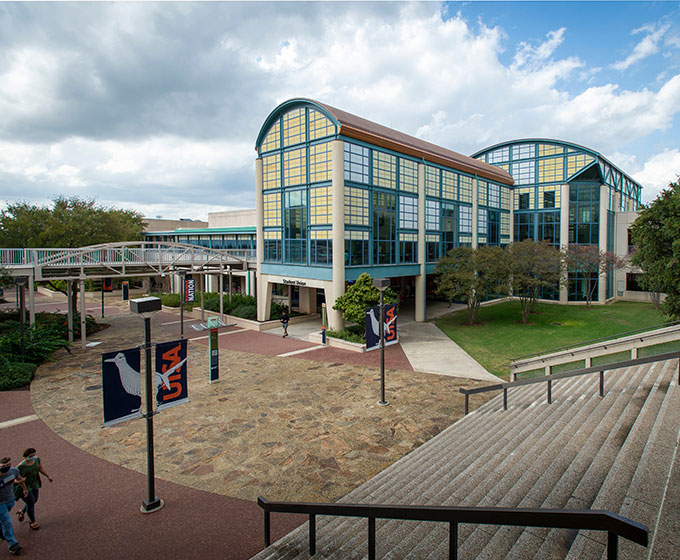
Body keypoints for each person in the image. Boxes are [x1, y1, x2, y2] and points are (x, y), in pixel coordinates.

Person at [15, 448, 52, 531]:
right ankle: (33, 521)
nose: (32, 457)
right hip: (24, 485)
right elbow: (17, 479)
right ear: (25, 456)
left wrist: (47, 476)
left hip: (34, 482)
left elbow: (40, 468)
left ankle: (22, 511)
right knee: (31, 502)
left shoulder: (36, 460)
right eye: (30, 456)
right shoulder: (20, 467)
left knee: (34, 500)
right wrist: (24, 488)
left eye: (33, 455)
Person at [0, 456, 26, 556]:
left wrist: (24, 488)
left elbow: (19, 479)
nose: (6, 467)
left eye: (8, 465)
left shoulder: (14, 471)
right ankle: (12, 544)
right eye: (3, 466)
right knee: (7, 521)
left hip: (10, 500)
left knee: (3, 520)